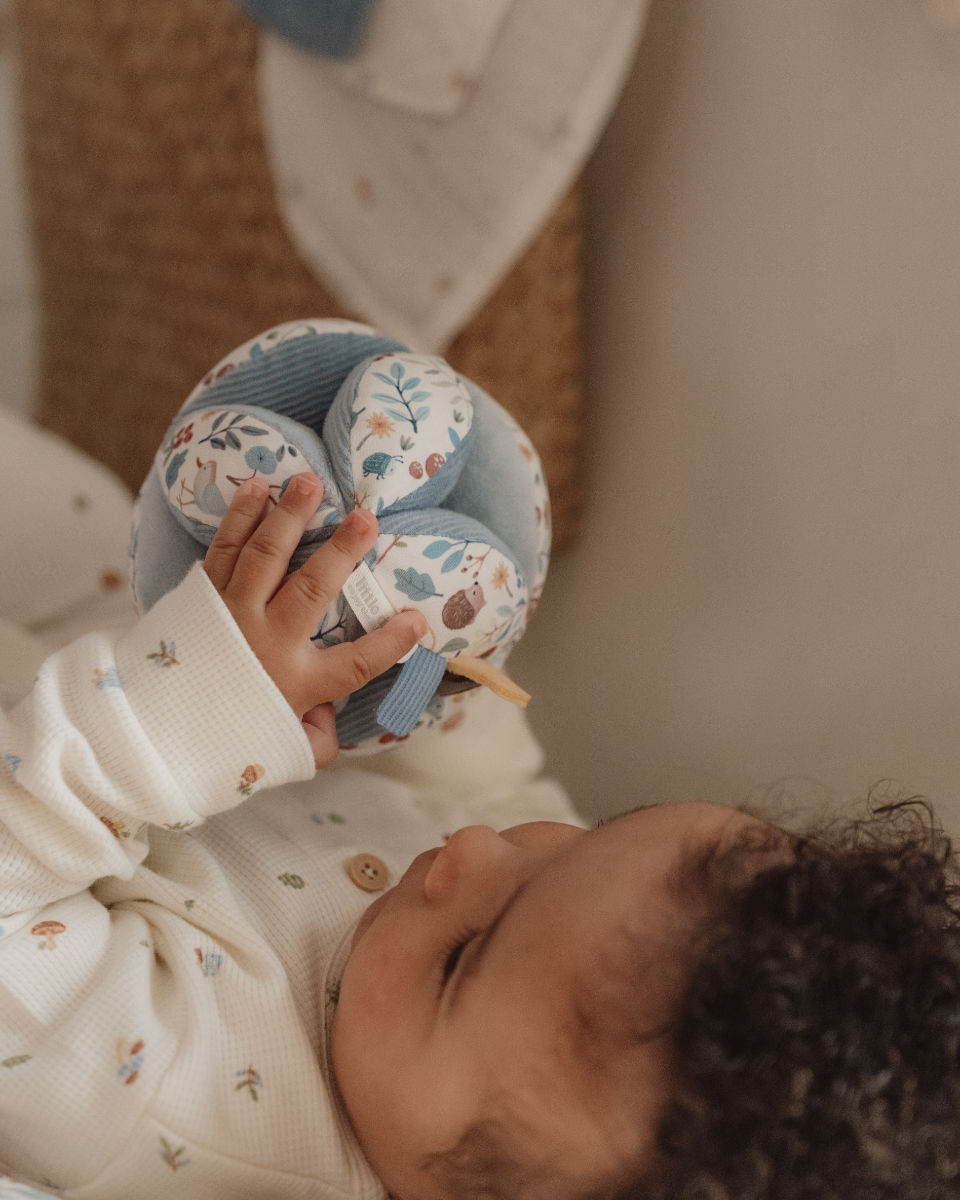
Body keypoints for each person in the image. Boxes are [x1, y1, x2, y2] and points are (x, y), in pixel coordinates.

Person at [1, 475, 958, 1200]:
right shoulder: (539, 924)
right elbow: (485, 782)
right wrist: (436, 639)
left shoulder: (191, 1112)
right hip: (109, 621)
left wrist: (204, 704)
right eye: (582, 840)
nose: (472, 850)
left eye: (460, 960)